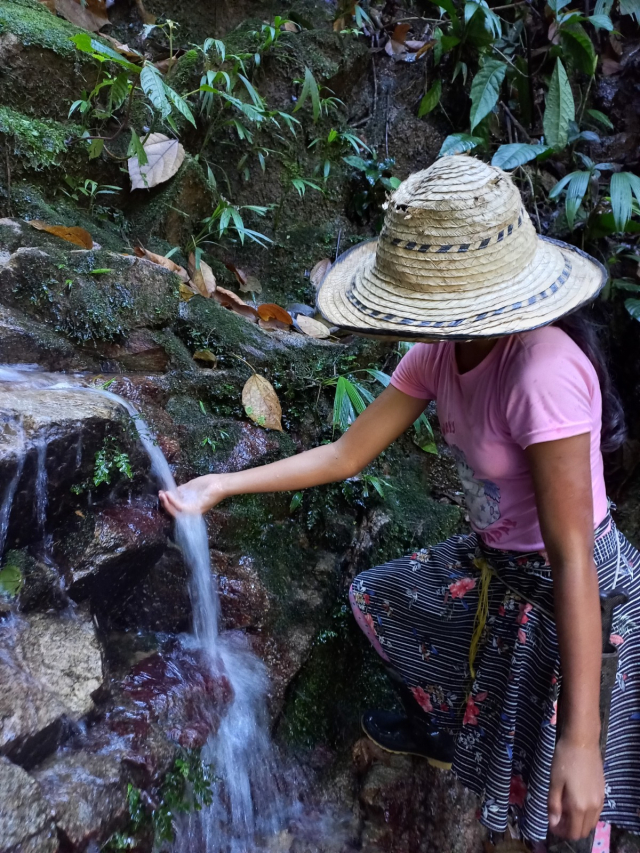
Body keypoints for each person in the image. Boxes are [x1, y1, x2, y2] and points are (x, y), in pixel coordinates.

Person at [159, 156, 640, 847]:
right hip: (499, 569)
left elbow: (573, 559)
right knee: (380, 596)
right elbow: (346, 454)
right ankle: (450, 725)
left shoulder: (541, 373)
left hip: (578, 593)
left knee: (564, 808)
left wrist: (583, 736)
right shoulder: (441, 354)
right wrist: (223, 483)